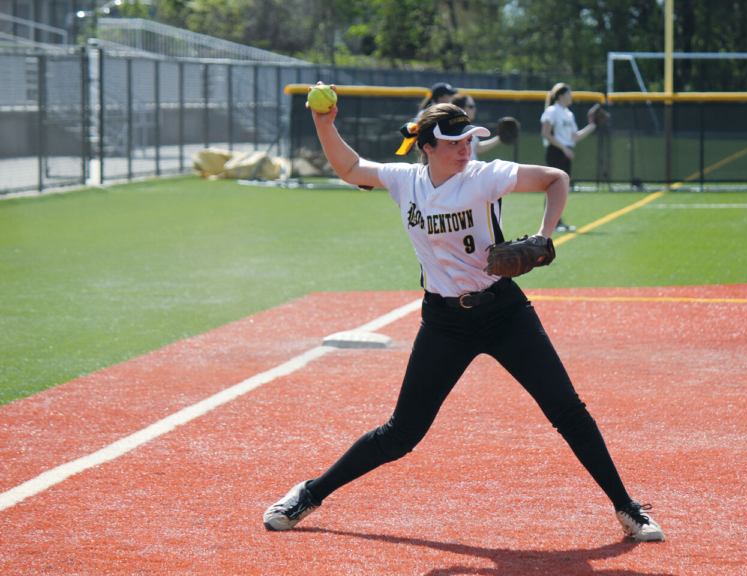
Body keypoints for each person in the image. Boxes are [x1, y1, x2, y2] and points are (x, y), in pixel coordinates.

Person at [263, 87, 664, 543]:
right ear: (427, 146)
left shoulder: (484, 176)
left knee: (568, 411)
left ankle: (627, 508)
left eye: (468, 140)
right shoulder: (404, 180)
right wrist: (324, 124)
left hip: (504, 312)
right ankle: (310, 494)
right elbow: (350, 168)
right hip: (444, 322)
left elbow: (556, 178)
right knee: (401, 434)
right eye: (454, 142)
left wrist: (543, 236)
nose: (465, 148)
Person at [540, 83, 597, 233]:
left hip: (565, 151)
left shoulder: (569, 114)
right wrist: (564, 148)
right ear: (561, 95)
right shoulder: (552, 111)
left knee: (562, 189)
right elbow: (546, 133)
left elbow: (575, 136)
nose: (571, 96)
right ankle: (551, 223)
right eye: (569, 93)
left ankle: (557, 222)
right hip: (555, 151)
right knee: (554, 188)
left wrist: (593, 126)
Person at [449, 92, 501, 160]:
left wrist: (499, 138)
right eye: (471, 106)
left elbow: (477, 147)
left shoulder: (467, 126)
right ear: (460, 108)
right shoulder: (452, 129)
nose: (474, 109)